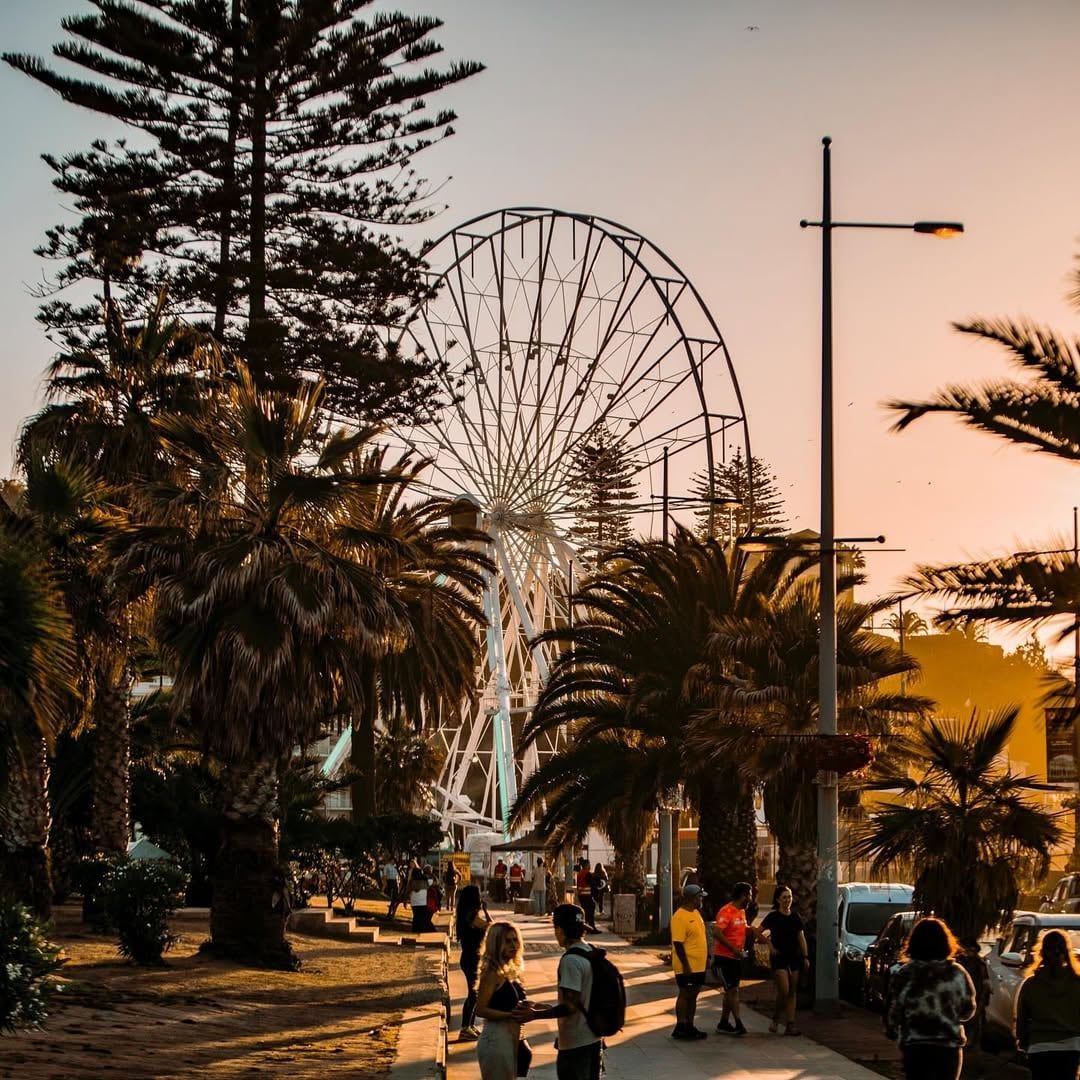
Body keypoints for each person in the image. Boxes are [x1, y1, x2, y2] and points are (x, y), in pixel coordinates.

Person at [885, 916, 976, 1080]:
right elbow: (968, 1011)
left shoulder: (905, 973)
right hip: (948, 1045)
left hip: (915, 1045)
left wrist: (895, 1030)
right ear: (946, 943)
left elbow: (893, 1013)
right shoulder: (956, 973)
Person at [521, 904, 602, 1080]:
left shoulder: (571, 961)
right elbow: (584, 999)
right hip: (594, 1039)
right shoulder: (591, 951)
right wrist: (546, 1007)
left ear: (559, 930)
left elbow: (570, 1007)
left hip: (576, 1044)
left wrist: (535, 1015)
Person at [1015, 929, 1080, 1080]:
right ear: (1067, 952)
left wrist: (1022, 1042)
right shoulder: (1077, 983)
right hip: (1071, 1047)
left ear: (1041, 952)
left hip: (1039, 1046)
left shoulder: (1031, 984)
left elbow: (1022, 1017)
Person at [474, 921, 531, 1079]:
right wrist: (510, 1015)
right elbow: (480, 1009)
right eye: (508, 941)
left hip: (512, 1036)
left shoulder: (510, 970)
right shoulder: (491, 973)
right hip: (496, 1038)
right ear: (496, 943)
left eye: (515, 940)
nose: (513, 945)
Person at [760, 885, 809, 1035]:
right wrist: (769, 944)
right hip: (779, 956)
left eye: (789, 897)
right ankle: (775, 1017)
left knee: (792, 991)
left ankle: (790, 1024)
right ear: (778, 900)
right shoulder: (773, 916)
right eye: (784, 897)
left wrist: (805, 956)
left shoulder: (795, 917)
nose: (787, 900)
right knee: (784, 990)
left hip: (794, 956)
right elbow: (757, 931)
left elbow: (801, 938)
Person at [713, 881, 757, 1036]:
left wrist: (753, 931)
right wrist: (733, 949)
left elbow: (742, 928)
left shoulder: (741, 912)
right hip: (724, 959)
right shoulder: (726, 911)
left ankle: (723, 1023)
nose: (751, 899)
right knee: (732, 990)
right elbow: (717, 932)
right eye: (750, 895)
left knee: (730, 991)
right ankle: (738, 1022)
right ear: (743, 896)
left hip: (736, 959)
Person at [669, 883, 709, 1040]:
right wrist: (685, 964)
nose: (701, 900)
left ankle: (690, 1026)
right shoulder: (680, 916)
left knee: (694, 995)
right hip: (687, 965)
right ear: (692, 898)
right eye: (700, 897)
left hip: (698, 965)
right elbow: (678, 943)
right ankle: (680, 1026)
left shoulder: (696, 913)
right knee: (685, 993)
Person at [455, 884, 493, 1042]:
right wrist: (485, 910)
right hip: (471, 959)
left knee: (474, 994)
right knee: (473, 994)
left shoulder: (466, 914)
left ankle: (469, 1025)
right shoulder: (472, 917)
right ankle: (464, 1028)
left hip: (471, 957)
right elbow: (490, 925)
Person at [576, 859, 597, 931]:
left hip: (581, 895)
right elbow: (592, 884)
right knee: (590, 909)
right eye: (589, 864)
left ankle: (580, 925)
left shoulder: (579, 874)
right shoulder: (587, 874)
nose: (590, 865)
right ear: (586, 865)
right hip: (587, 895)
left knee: (583, 910)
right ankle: (591, 927)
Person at [409, 865, 430, 933]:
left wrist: (405, 901)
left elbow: (408, 890)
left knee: (415, 916)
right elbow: (432, 884)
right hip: (423, 901)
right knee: (421, 916)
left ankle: (415, 929)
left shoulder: (412, 881)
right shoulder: (424, 880)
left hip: (414, 901)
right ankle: (421, 929)